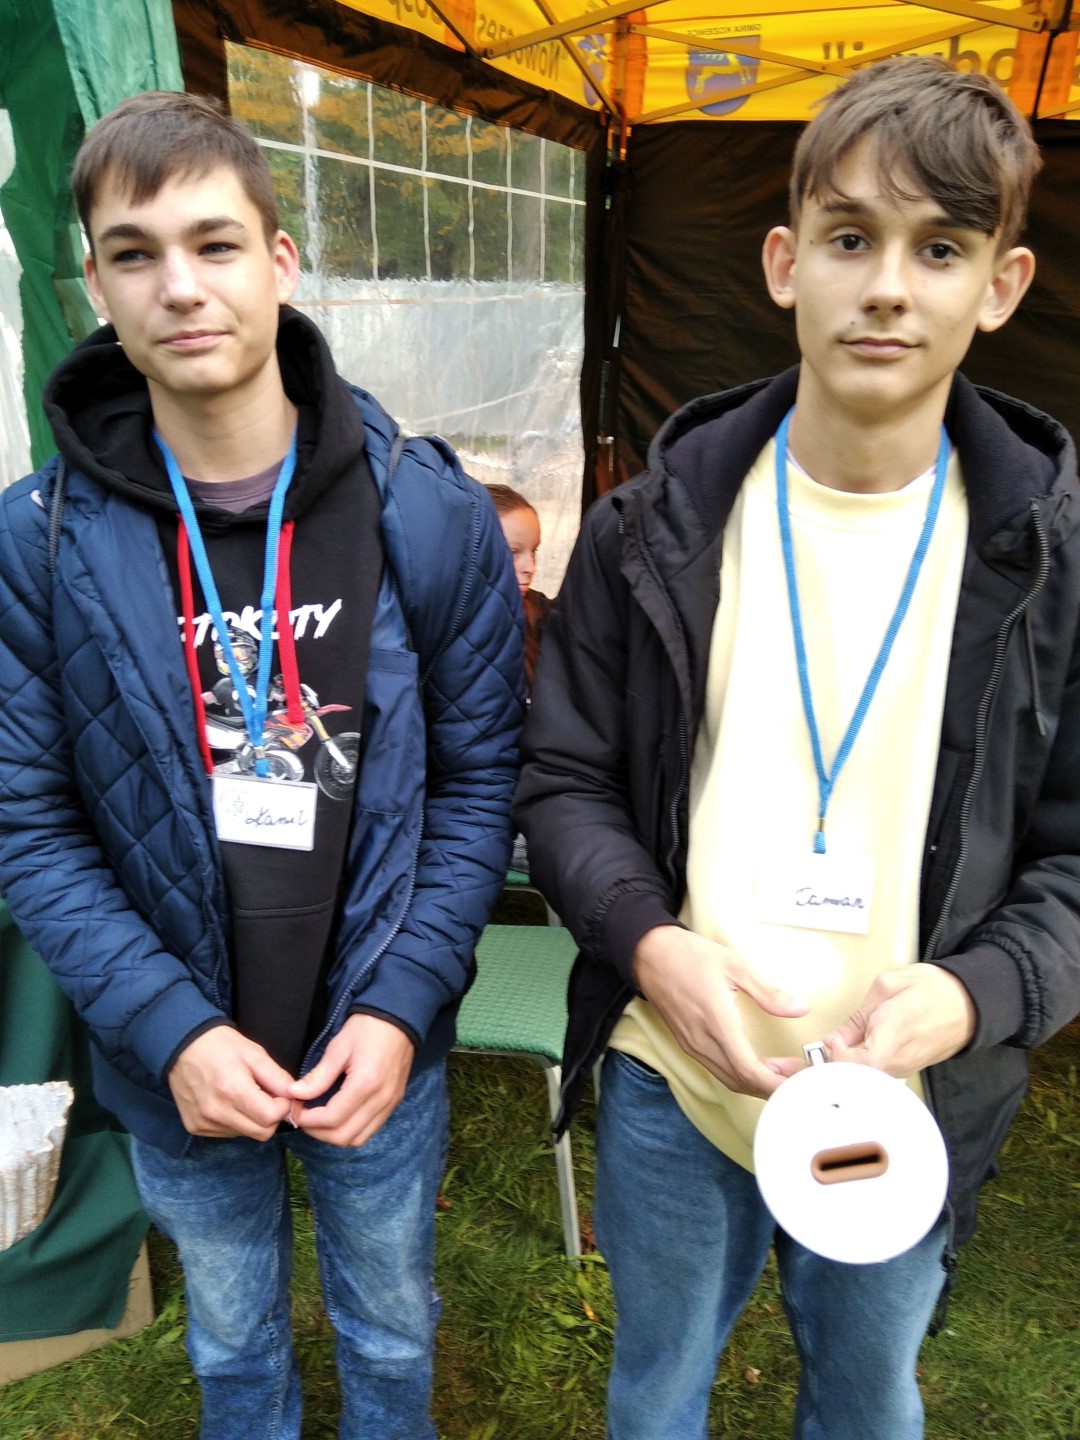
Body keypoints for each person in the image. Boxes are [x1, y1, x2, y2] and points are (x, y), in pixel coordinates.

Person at [514, 56, 1080, 1440]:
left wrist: (978, 996)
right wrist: (651, 948)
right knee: (656, 1396)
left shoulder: (1052, 561)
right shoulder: (651, 530)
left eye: (938, 249)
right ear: (783, 264)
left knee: (869, 1405)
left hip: (908, 1097)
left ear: (1001, 285)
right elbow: (565, 780)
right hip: (675, 1069)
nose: (887, 287)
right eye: (849, 238)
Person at [0, 91, 523, 1439]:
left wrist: (401, 1004)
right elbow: (29, 823)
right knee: (233, 1346)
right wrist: (169, 1028)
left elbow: (480, 784)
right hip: (175, 1060)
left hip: (373, 1041)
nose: (179, 286)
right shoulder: (38, 541)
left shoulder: (427, 509)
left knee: (391, 1330)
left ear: (281, 261)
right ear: (97, 285)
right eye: (134, 253)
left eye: (215, 243)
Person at [484, 482, 554, 690]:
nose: (530, 567)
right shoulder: (441, 624)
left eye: (534, 551)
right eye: (513, 552)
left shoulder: (545, 617)